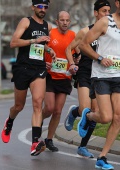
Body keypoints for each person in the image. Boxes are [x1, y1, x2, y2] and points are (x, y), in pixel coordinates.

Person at [1, 0, 56, 156]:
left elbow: (40, 45)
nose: (43, 9)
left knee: (38, 103)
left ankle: (35, 142)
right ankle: (9, 122)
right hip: (22, 68)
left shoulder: (48, 26)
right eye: (40, 6)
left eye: (45, 7)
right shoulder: (26, 21)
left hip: (39, 68)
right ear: (33, 7)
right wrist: (34, 40)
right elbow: (13, 42)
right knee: (19, 106)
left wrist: (48, 49)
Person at [64, 0, 111, 158]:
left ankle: (82, 146)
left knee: (95, 113)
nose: (107, 14)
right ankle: (74, 112)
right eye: (103, 11)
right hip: (84, 73)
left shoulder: (111, 33)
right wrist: (72, 64)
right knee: (86, 109)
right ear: (96, 13)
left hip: (100, 75)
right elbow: (68, 48)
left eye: (108, 11)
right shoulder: (86, 31)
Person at [78, 0, 120, 169]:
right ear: (117, 3)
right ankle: (88, 115)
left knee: (118, 118)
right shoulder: (105, 22)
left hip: (118, 76)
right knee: (106, 117)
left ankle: (102, 157)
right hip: (102, 76)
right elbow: (83, 45)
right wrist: (100, 58)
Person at [42, 11, 79, 152]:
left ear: (69, 22)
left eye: (67, 20)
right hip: (50, 75)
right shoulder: (51, 34)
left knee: (57, 111)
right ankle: (38, 122)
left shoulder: (73, 36)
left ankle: (49, 139)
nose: (64, 22)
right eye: (62, 20)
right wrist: (43, 63)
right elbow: (39, 49)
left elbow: (76, 54)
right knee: (49, 108)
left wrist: (76, 61)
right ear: (57, 22)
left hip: (65, 77)